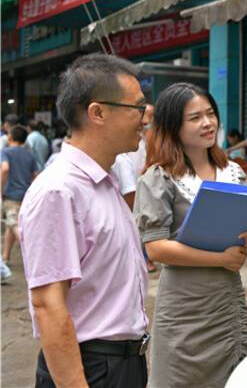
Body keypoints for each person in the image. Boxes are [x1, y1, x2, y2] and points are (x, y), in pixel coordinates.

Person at [18, 53, 151, 388]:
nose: (145, 117)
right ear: (98, 112)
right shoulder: (59, 191)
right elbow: (49, 305)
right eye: (137, 107)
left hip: (123, 363)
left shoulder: (106, 183)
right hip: (91, 369)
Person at [134, 82, 247, 388]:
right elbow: (157, 249)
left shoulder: (234, 171)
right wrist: (221, 258)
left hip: (225, 299)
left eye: (210, 114)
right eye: (194, 118)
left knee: (234, 377)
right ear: (173, 126)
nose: (208, 123)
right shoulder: (158, 178)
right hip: (183, 305)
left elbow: (236, 231)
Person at [112, 114, 158, 273]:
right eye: (145, 119)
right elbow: (129, 193)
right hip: (134, 193)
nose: (146, 124)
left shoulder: (145, 143)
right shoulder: (122, 157)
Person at [2, 125, 39, 264]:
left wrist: (0, 189)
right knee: (10, 226)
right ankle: (5, 258)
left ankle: (32, 252)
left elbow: (5, 169)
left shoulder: (6, 152)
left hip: (10, 195)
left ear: (10, 137)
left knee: (12, 224)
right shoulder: (30, 155)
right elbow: (35, 175)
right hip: (25, 195)